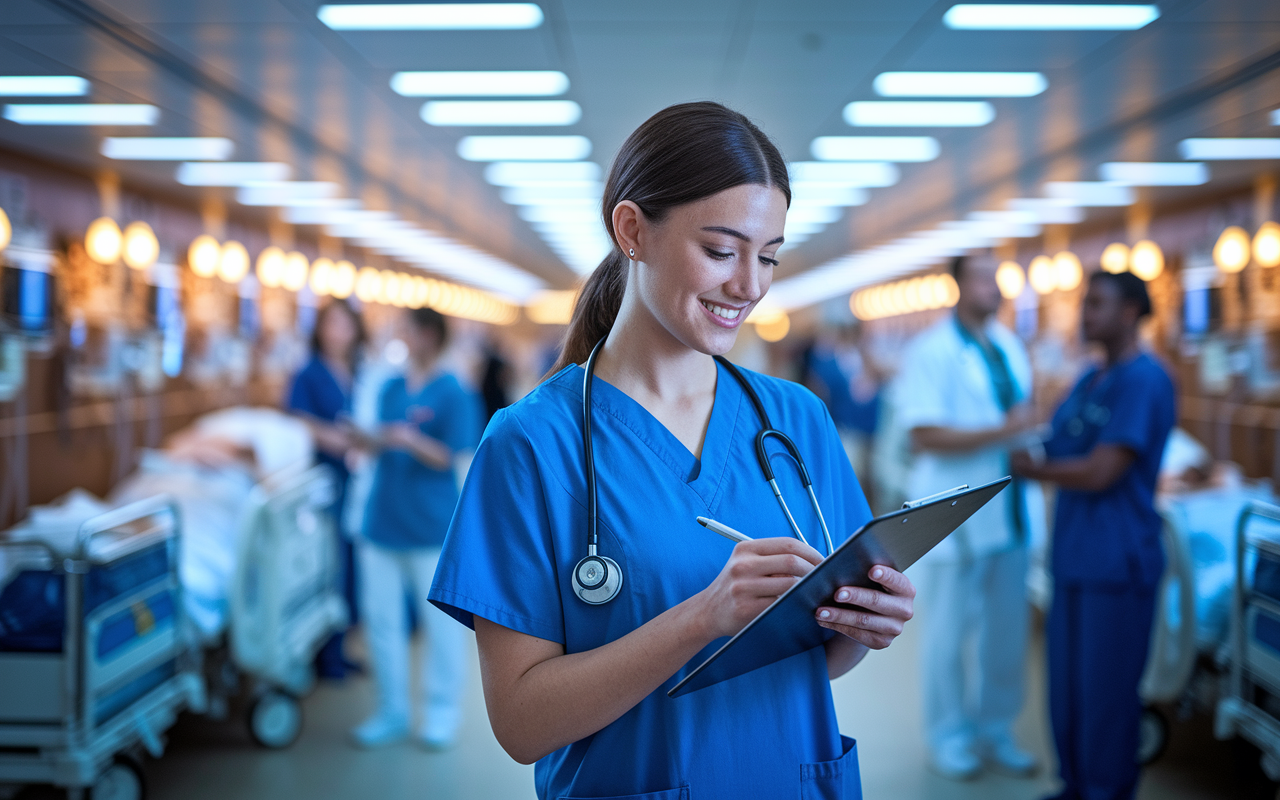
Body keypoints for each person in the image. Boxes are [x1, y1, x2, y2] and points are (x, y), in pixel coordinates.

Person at [427, 101, 916, 799]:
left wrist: (860, 625)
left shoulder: (796, 422)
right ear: (633, 230)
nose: (750, 285)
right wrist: (700, 617)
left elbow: (814, 661)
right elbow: (521, 723)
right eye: (721, 250)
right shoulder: (533, 444)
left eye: (769, 255)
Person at [1012, 271, 1176, 800]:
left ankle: (1104, 790)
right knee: (1068, 689)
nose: (1086, 314)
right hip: (1076, 556)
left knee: (1106, 693)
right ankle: (1074, 785)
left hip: (1118, 563)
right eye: (1086, 303)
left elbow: (1103, 470)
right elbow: (1055, 440)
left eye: (1098, 304)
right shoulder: (1090, 381)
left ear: (1130, 312)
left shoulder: (1146, 381)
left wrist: (1032, 471)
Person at [893, 253, 1040, 779]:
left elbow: (1025, 414)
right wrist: (1004, 430)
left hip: (1013, 513)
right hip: (953, 514)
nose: (992, 286)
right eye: (981, 277)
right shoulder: (931, 351)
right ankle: (949, 736)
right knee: (948, 633)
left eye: (997, 276)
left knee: (1006, 632)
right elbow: (922, 432)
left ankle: (996, 729)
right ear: (957, 286)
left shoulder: (1008, 346)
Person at [350, 306, 482, 750]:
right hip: (381, 520)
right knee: (382, 623)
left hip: (429, 526)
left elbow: (453, 455)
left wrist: (409, 440)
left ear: (429, 336)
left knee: (439, 626)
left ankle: (442, 711)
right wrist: (365, 438)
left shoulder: (453, 392)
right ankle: (392, 709)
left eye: (408, 330)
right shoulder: (389, 386)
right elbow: (377, 441)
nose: (401, 337)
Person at [284, 297, 365, 680]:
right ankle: (326, 655)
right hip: (325, 480)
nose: (339, 333)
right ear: (319, 330)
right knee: (330, 564)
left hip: (356, 478)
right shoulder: (309, 373)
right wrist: (336, 439)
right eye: (331, 325)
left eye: (345, 325)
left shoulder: (357, 369)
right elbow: (299, 420)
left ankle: (342, 644)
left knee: (351, 564)